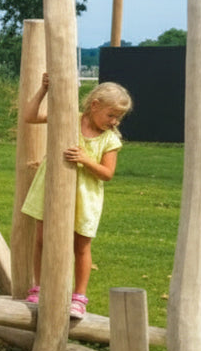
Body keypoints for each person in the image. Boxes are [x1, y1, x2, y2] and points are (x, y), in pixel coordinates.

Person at [20, 73, 132, 319]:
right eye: (111, 115)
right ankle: (38, 287)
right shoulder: (70, 119)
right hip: (51, 188)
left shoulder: (109, 140)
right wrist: (43, 91)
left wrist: (84, 159)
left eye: (119, 117)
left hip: (85, 196)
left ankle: (79, 297)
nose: (114, 121)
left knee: (81, 246)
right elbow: (29, 117)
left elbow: (107, 174)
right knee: (41, 239)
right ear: (94, 106)